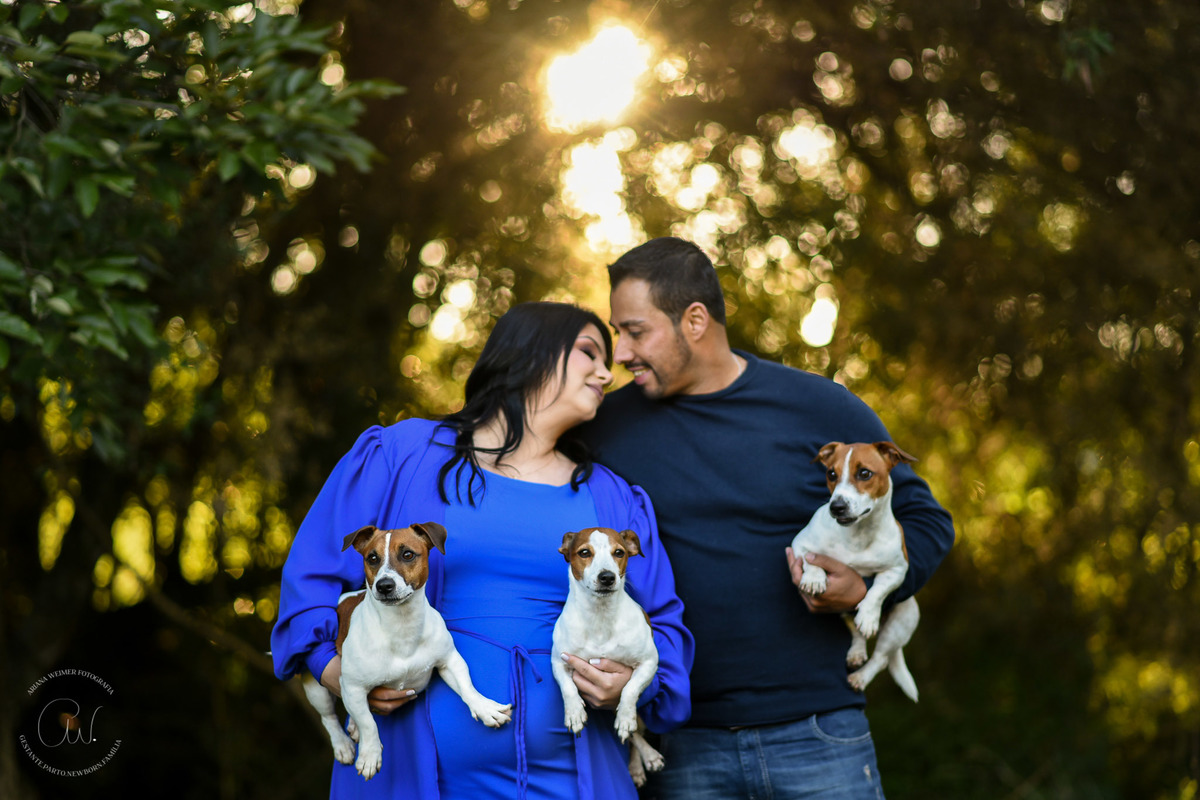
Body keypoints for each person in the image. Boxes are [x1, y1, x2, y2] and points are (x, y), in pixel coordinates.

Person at [577, 237, 955, 799]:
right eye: (618, 334)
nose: (622, 353)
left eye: (636, 331)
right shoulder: (605, 426)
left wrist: (863, 590)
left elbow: (926, 520)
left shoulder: (817, 406)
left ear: (695, 320)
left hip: (817, 731)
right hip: (679, 744)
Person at [272, 301, 693, 799]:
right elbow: (311, 576)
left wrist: (632, 684)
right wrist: (333, 669)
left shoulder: (613, 497)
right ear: (528, 354)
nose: (607, 372)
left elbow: (661, 622)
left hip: (576, 780)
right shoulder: (402, 455)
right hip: (411, 775)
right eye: (589, 353)